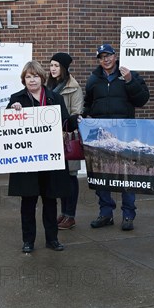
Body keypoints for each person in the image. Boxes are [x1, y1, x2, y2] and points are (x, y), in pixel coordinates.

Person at [7, 60, 77, 253]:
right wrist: (12, 112)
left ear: (42, 78)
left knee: (50, 201)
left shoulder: (55, 98)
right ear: (24, 80)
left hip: (50, 158)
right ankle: (28, 240)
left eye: (35, 76)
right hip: (27, 160)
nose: (32, 80)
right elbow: (5, 127)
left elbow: (65, 124)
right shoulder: (16, 98)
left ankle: (52, 239)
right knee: (28, 202)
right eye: (28, 77)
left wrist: (75, 120)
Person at [84, 43, 150, 231]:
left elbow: (142, 99)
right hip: (101, 136)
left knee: (126, 176)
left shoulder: (130, 75)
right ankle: (106, 213)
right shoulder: (93, 79)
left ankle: (128, 215)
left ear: (115, 56)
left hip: (125, 135)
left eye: (109, 55)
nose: (105, 59)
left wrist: (129, 80)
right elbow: (89, 103)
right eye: (101, 57)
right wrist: (84, 115)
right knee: (101, 176)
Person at [47, 52, 84, 230]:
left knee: (71, 176)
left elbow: (76, 112)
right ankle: (63, 212)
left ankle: (71, 215)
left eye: (56, 65)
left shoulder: (73, 87)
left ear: (64, 68)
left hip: (67, 138)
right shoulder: (50, 85)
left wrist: (65, 125)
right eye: (51, 65)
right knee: (60, 177)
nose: (53, 69)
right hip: (51, 139)